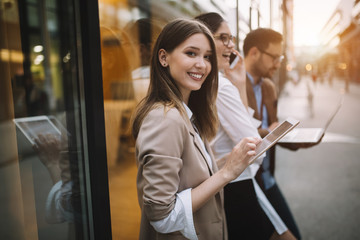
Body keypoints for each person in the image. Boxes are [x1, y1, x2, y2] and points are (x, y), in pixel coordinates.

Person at [131, 18, 260, 240]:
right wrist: (227, 173)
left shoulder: (186, 113)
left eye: (207, 57)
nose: (202, 64)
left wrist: (227, 164)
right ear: (163, 57)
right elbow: (161, 216)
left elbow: (185, 177)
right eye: (191, 53)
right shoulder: (165, 118)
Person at [196, 12, 296, 240]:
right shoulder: (219, 85)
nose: (230, 45)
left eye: (231, 38)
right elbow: (254, 148)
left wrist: (239, 83)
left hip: (233, 183)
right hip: (238, 184)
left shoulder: (209, 82)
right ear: (203, 37)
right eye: (223, 38)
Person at [243, 28, 301, 239]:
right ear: (254, 53)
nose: (279, 64)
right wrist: (270, 130)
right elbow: (240, 134)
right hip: (246, 185)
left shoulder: (269, 86)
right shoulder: (232, 87)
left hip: (267, 178)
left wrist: (295, 139)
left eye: (281, 57)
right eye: (274, 57)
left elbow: (270, 132)